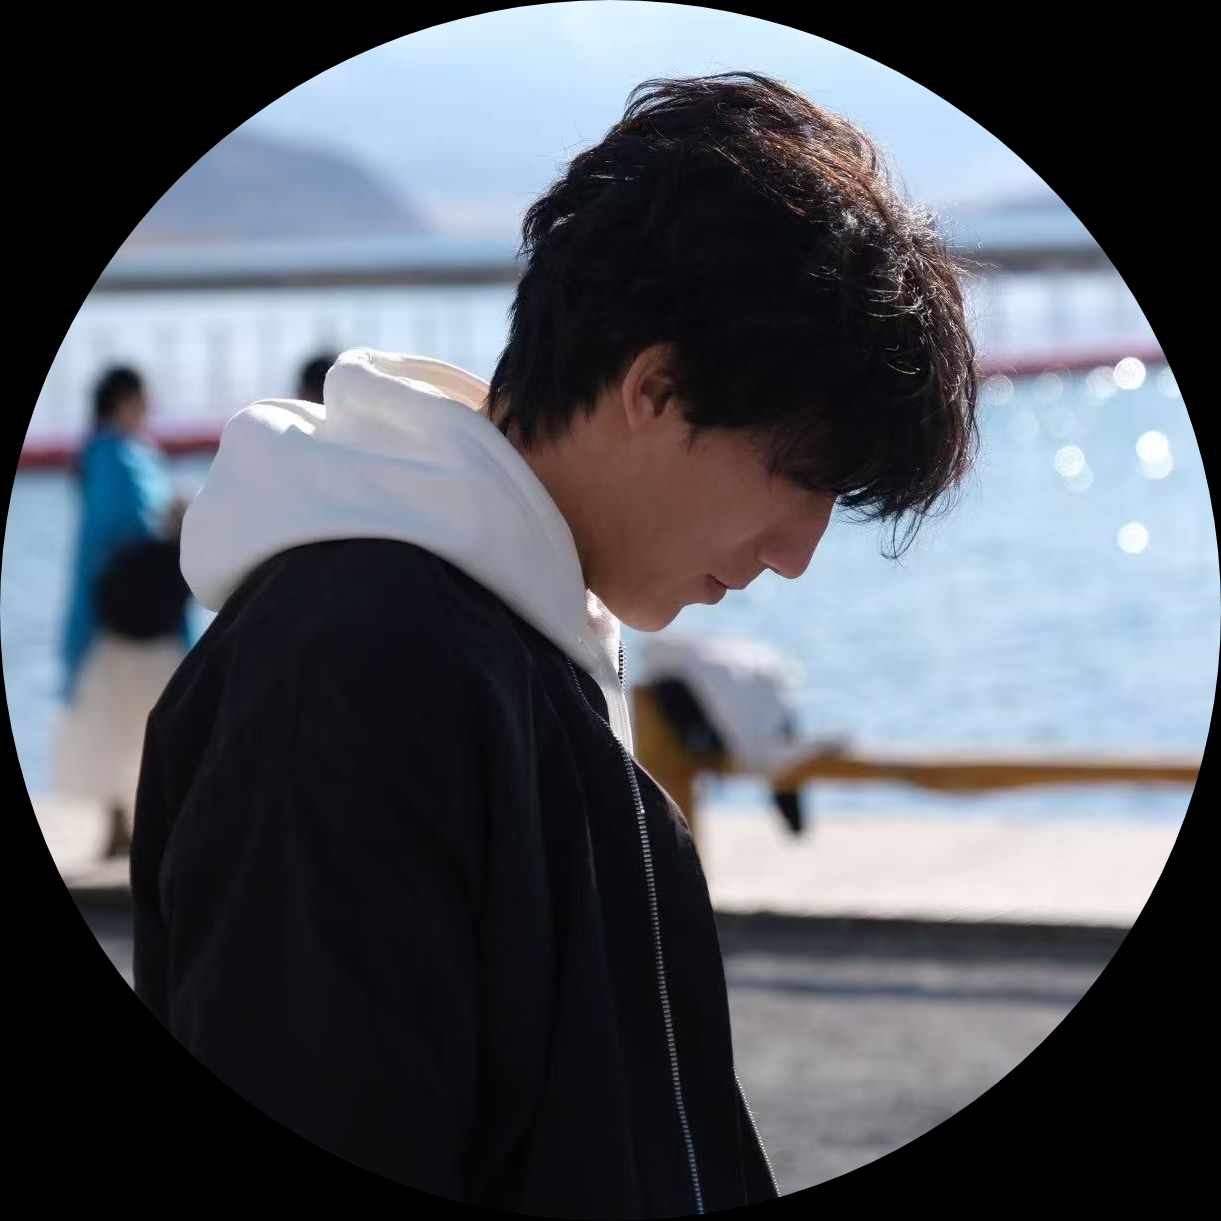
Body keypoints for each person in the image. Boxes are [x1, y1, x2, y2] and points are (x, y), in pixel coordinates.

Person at [131, 73, 978, 1214]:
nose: (797, 554)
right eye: (802, 476)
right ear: (655, 387)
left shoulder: (495, 640)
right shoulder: (357, 669)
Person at [56, 366, 193, 858]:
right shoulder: (119, 456)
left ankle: (122, 826)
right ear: (124, 401)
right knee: (157, 718)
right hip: (137, 619)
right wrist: (177, 521)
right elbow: (130, 524)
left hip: (113, 615)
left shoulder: (102, 454)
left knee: (113, 722)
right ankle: (136, 828)